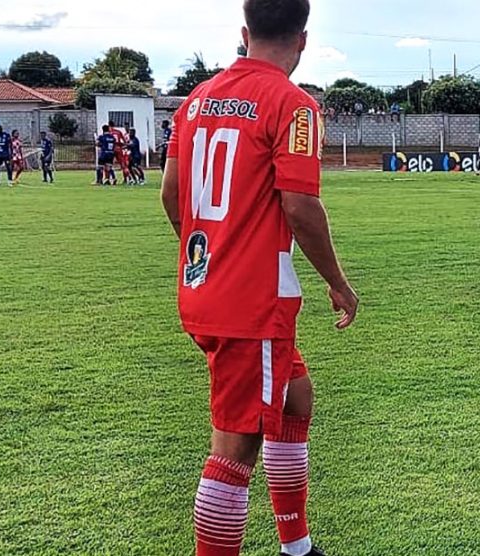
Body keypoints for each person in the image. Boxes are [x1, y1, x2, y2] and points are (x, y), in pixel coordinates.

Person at [159, 1, 358, 555]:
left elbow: (172, 196)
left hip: (205, 288)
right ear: (302, 40)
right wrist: (339, 283)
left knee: (296, 398)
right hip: (253, 303)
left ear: (245, 33)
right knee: (235, 447)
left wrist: (212, 257)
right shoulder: (292, 105)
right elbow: (300, 206)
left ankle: (297, 547)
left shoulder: (196, 101)